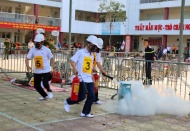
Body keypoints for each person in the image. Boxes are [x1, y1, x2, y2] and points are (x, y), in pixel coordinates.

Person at [64, 35, 97, 118]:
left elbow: (89, 67)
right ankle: (68, 101)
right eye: (93, 45)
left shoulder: (92, 55)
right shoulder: (80, 52)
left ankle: (85, 112)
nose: (94, 47)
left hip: (89, 78)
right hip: (81, 78)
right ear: (88, 44)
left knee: (92, 96)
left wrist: (92, 76)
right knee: (81, 97)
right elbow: (72, 60)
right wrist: (74, 68)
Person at [25, 33, 55, 100]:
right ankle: (44, 96)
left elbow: (52, 58)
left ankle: (49, 91)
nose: (37, 44)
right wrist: (27, 65)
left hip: (45, 70)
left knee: (45, 83)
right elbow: (27, 58)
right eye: (36, 42)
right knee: (36, 85)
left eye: (38, 42)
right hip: (37, 70)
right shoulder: (32, 50)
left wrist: (53, 66)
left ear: (42, 42)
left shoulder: (47, 50)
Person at [93, 38, 106, 105]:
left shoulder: (97, 53)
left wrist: (102, 70)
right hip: (86, 71)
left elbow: (98, 62)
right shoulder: (89, 52)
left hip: (93, 72)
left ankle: (95, 99)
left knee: (95, 85)